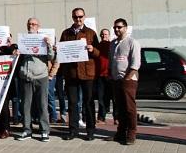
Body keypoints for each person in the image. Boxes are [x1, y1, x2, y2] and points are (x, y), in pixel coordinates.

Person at [59, 8, 100, 141]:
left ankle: (90, 130)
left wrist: (93, 49)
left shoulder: (91, 33)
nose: (78, 19)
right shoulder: (66, 33)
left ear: (84, 16)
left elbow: (99, 54)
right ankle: (73, 130)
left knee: (88, 102)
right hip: (71, 74)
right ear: (72, 17)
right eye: (76, 17)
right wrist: (58, 50)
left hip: (87, 73)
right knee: (72, 103)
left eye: (80, 16)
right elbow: (62, 54)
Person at [15, 18, 55, 143]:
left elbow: (51, 57)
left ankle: (44, 131)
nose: (31, 26)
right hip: (26, 77)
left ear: (38, 26)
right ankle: (27, 129)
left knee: (42, 105)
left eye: (34, 24)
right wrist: (16, 52)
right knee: (26, 105)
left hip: (40, 77)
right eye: (29, 24)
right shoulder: (23, 40)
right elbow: (18, 58)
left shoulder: (43, 39)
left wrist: (48, 45)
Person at [105, 18, 141, 145]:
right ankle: (120, 133)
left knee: (130, 108)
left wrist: (127, 78)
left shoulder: (132, 42)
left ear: (125, 28)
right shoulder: (113, 43)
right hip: (116, 80)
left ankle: (131, 134)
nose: (116, 29)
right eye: (115, 27)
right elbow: (111, 60)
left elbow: (135, 63)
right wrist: (110, 74)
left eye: (119, 27)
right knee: (119, 108)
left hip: (128, 80)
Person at [96, 29, 114, 123]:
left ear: (109, 35)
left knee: (114, 98)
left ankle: (117, 118)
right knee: (101, 97)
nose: (104, 36)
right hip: (100, 75)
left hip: (111, 75)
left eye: (106, 34)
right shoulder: (97, 46)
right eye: (102, 34)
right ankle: (101, 117)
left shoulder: (112, 45)